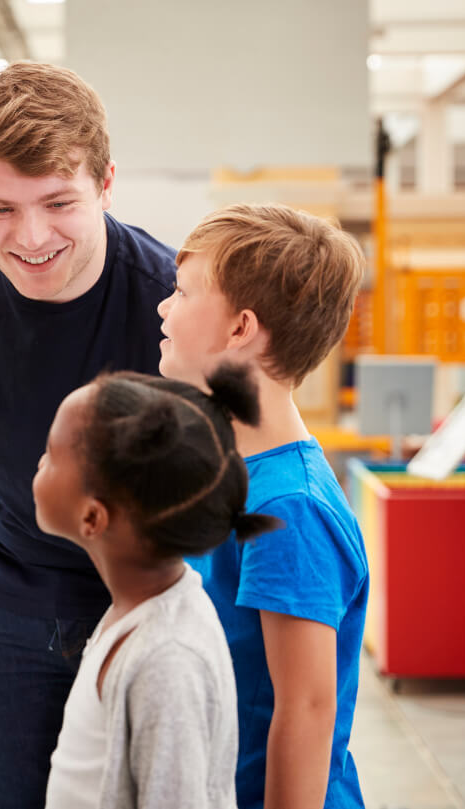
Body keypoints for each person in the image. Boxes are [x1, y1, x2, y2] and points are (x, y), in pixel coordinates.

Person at [0, 61, 177, 807]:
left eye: (58, 202)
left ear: (106, 183)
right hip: (4, 597)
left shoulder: (165, 299)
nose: (31, 236)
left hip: (142, 598)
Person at [157, 203, 369, 809]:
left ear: (241, 328)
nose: (164, 307)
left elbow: (305, 709)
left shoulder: (289, 509)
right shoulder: (233, 470)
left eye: (183, 292)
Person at [34, 368, 281, 809]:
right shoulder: (137, 612)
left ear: (93, 518)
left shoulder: (168, 659)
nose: (39, 462)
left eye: (52, 454)